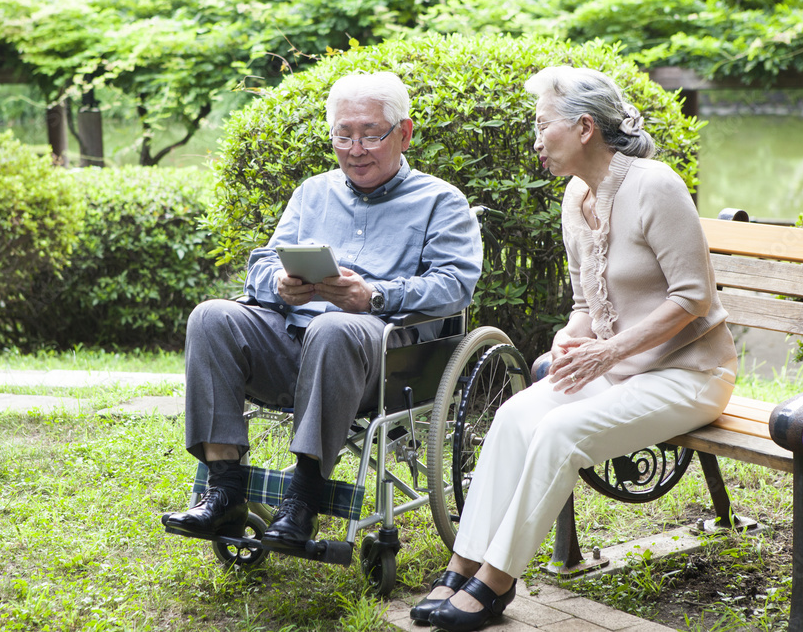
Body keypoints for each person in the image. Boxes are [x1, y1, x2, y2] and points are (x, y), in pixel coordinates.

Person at [411, 66, 738, 631]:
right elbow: (585, 303)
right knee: (515, 416)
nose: (536, 139)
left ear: (585, 126)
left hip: (692, 374)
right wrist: (570, 342)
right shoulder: (575, 196)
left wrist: (608, 354)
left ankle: (495, 581)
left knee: (558, 433)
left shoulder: (655, 185)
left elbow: (693, 298)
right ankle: (463, 562)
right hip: (621, 372)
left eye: (543, 126)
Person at [164, 72, 483, 551]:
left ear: (404, 133)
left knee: (336, 326)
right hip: (292, 346)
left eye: (371, 135)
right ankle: (224, 489)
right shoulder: (313, 193)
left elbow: (455, 285)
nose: (355, 149)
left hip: (380, 362)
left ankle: (303, 499)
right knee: (211, 316)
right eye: (342, 135)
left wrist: (374, 297)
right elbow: (264, 262)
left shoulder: (441, 201)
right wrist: (278, 284)